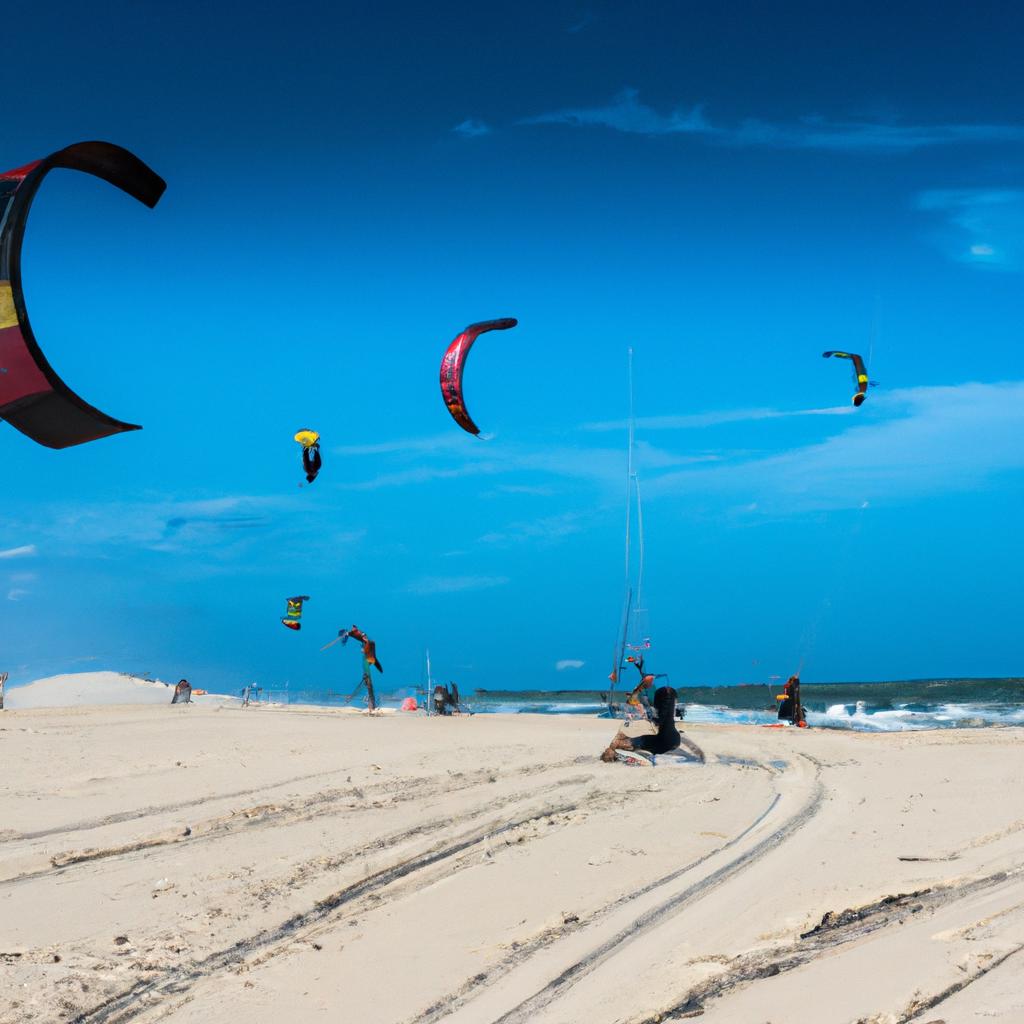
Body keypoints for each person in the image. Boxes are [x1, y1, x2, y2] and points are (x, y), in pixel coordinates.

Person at [601, 686, 680, 761]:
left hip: (661, 742)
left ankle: (609, 755)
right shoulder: (665, 713)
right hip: (675, 740)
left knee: (621, 742)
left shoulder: (655, 714)